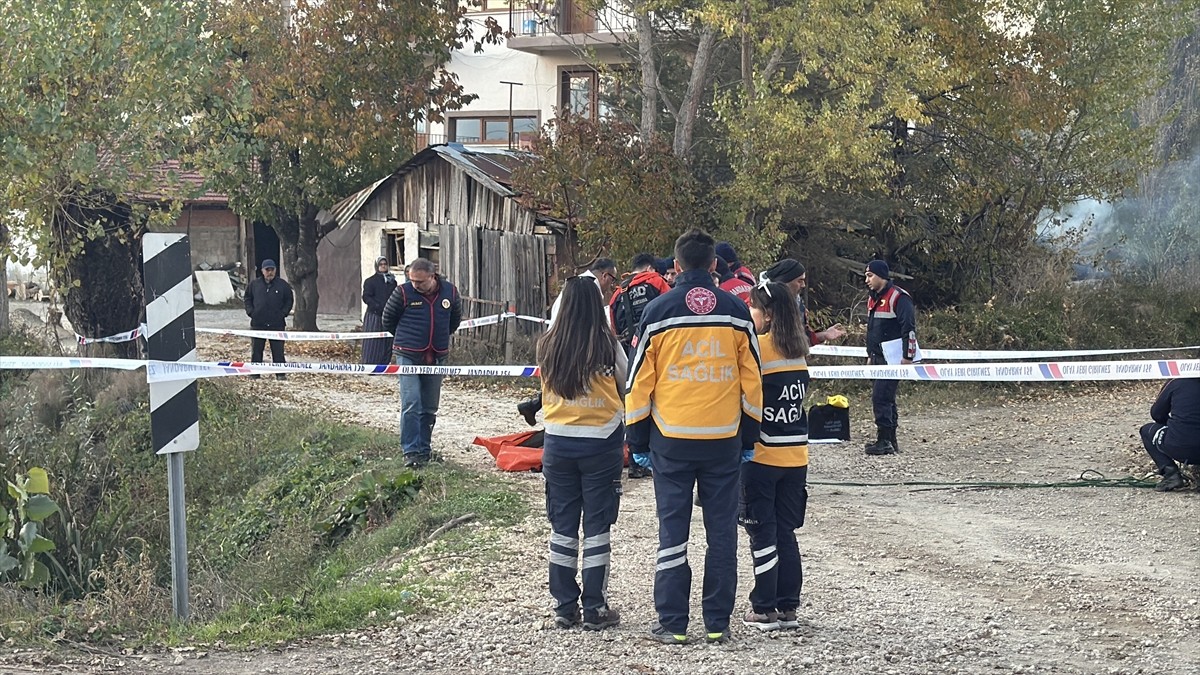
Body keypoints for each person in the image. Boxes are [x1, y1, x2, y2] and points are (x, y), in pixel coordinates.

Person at [626, 227, 763, 645]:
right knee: (721, 531)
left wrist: (638, 441)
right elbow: (753, 381)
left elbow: (637, 384)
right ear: (715, 265)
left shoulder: (659, 311)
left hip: (671, 440)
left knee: (673, 531)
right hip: (722, 440)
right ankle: (718, 623)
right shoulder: (736, 312)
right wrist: (748, 436)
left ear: (677, 266)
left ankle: (672, 623)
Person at [537, 276, 627, 631]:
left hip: (557, 442)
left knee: (562, 526)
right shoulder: (607, 345)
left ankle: (563, 605)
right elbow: (625, 383)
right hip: (601, 442)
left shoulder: (547, 345)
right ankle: (595, 606)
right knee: (597, 525)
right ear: (597, 306)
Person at [739, 280, 811, 632]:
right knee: (786, 532)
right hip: (796, 456)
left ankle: (763, 606)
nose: (748, 313)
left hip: (763, 456)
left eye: (752, 307)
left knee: (761, 533)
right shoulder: (798, 349)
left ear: (765, 314)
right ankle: (788, 606)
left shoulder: (758, 348)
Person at [517, 258, 619, 426]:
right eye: (612, 279)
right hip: (574, 340)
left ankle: (534, 405)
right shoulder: (589, 290)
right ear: (605, 275)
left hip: (561, 339)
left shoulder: (576, 286)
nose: (611, 285)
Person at [382, 258, 462, 468]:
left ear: (432, 277)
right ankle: (410, 451)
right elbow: (388, 319)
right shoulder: (402, 293)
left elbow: (454, 321)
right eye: (412, 281)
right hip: (408, 354)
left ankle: (424, 450)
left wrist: (439, 339)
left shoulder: (451, 293)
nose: (415, 285)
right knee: (411, 402)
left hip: (436, 356)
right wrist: (406, 341)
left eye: (420, 282)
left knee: (429, 406)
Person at [864, 259, 916, 456]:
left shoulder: (899, 297)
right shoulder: (872, 299)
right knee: (886, 398)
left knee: (881, 398)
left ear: (881, 276)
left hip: (893, 358)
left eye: (870, 275)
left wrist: (907, 357)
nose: (866, 280)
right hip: (877, 356)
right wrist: (869, 355)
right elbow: (872, 330)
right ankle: (890, 439)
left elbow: (908, 328)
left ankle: (884, 439)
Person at [761, 258, 846, 345]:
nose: (803, 285)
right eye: (800, 281)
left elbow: (801, 340)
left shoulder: (798, 306)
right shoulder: (762, 304)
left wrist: (824, 335)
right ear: (784, 282)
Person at [1139, 378, 1200, 491]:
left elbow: (1157, 414)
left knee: (1146, 430)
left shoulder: (1176, 382)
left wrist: (1174, 424)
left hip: (1179, 445)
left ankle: (1171, 474)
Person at [609, 253, 672, 355]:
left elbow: (614, 329)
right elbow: (673, 309)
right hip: (660, 347)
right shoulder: (657, 282)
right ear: (650, 268)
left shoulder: (617, 295)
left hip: (630, 352)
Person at [243, 259, 294, 380]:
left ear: (275, 270)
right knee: (256, 350)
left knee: (278, 350)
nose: (270, 272)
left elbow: (289, 300)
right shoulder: (254, 285)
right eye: (267, 270)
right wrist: (251, 312)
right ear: (262, 271)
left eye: (272, 270)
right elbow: (247, 298)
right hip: (258, 323)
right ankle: (255, 373)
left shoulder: (283, 285)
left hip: (277, 324)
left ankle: (280, 374)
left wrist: (283, 313)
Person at [361, 257, 398, 365]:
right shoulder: (370, 281)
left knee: (387, 341)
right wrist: (377, 306)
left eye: (385, 264)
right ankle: (370, 365)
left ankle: (384, 365)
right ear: (377, 266)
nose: (383, 266)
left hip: (389, 315)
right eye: (380, 264)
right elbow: (366, 297)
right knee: (373, 341)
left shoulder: (392, 282)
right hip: (375, 315)